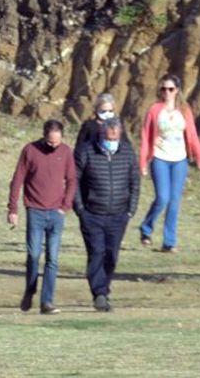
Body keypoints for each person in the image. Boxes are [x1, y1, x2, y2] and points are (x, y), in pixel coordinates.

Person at [8, 119, 76, 314]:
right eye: (50, 142)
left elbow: (72, 180)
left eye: (56, 142)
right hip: (35, 211)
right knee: (33, 254)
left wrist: (65, 206)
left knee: (52, 258)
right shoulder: (30, 150)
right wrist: (13, 208)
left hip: (57, 213)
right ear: (44, 136)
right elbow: (17, 179)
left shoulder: (66, 153)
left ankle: (47, 301)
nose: (53, 146)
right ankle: (30, 291)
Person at [74, 116, 139, 312]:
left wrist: (130, 209)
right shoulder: (86, 151)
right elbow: (73, 181)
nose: (111, 141)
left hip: (119, 215)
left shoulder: (127, 152)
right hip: (92, 213)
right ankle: (99, 293)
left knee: (111, 254)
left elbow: (135, 182)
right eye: (108, 137)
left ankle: (104, 287)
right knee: (96, 252)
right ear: (101, 134)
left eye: (115, 138)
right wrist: (80, 209)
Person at [138, 73, 200, 252]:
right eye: (163, 89)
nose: (167, 92)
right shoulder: (154, 110)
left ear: (177, 90)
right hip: (160, 158)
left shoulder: (184, 110)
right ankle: (146, 227)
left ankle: (169, 242)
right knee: (162, 198)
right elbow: (146, 136)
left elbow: (192, 135)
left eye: (170, 89)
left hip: (180, 160)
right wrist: (143, 162)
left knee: (174, 201)